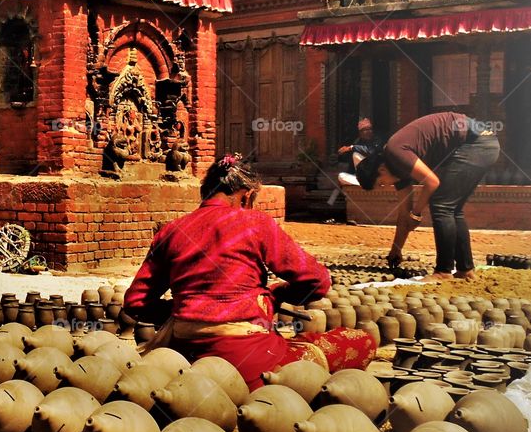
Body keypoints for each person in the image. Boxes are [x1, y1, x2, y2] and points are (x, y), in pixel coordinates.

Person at [123, 153, 376, 389]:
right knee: (360, 341)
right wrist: (278, 296)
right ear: (246, 195)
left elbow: (135, 302)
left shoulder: (172, 230)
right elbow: (317, 281)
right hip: (246, 359)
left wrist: (185, 313)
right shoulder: (255, 223)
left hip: (181, 355)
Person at [354, 112, 500, 281]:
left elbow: (432, 182)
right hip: (484, 144)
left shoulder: (395, 152)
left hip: (475, 144)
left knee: (441, 205)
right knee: (453, 209)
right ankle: (465, 270)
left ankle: (443, 271)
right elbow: (404, 214)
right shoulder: (398, 171)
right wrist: (396, 249)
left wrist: (416, 213)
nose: (385, 186)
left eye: (381, 183)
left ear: (381, 170)